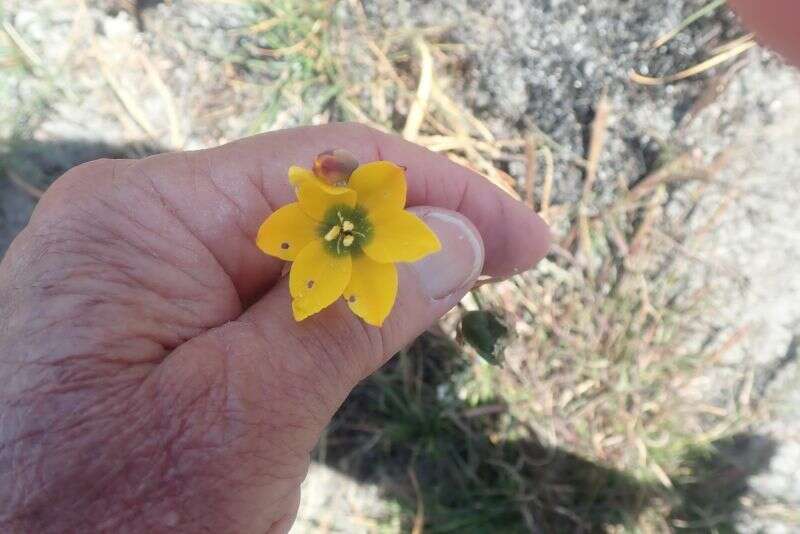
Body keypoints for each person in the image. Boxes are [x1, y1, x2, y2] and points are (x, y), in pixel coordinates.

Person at [0, 2, 796, 531]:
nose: (343, 224)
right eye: (338, 216)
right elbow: (322, 241)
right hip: (344, 251)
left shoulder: (371, 213)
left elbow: (369, 218)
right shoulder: (316, 225)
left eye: (345, 216)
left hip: (364, 245)